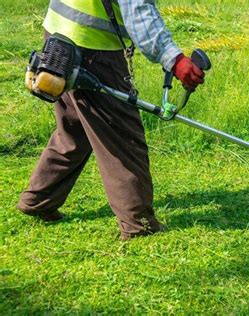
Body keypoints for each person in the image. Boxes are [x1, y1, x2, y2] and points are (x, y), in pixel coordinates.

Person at [16, 0, 204, 240]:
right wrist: (175, 60)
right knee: (122, 137)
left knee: (74, 128)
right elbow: (139, 12)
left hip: (58, 31)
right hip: (91, 47)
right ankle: (138, 223)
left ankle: (39, 199)